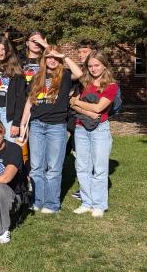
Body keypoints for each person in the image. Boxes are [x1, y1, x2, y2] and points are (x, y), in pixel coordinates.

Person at [18, 40, 84, 214]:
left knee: (54, 167)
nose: (52, 60)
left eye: (55, 57)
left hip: (56, 126)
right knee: (37, 167)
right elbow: (29, 102)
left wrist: (64, 56)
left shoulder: (65, 75)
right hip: (37, 125)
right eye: (49, 57)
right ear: (44, 59)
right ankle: (37, 201)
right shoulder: (37, 77)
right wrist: (23, 124)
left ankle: (52, 204)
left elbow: (80, 74)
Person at [69, 50, 119, 217]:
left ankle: (99, 204)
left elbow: (99, 108)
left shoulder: (111, 86)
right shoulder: (85, 83)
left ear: (104, 65)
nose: (93, 69)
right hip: (81, 127)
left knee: (99, 168)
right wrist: (79, 104)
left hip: (100, 130)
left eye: (97, 65)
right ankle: (86, 201)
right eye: (90, 66)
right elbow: (71, 103)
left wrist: (78, 102)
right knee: (82, 167)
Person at [68, 39, 98, 200]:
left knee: (89, 156)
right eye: (79, 52)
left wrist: (75, 101)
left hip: (91, 121)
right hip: (77, 119)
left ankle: (90, 189)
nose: (80, 55)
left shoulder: (95, 73)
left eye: (84, 52)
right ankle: (85, 188)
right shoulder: (83, 71)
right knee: (78, 153)